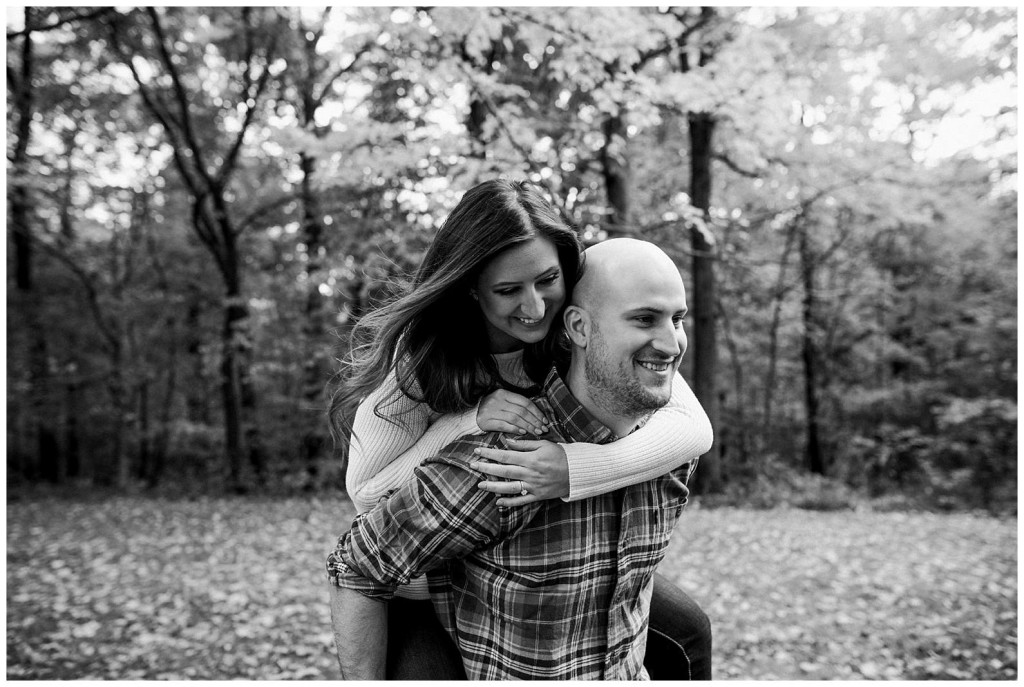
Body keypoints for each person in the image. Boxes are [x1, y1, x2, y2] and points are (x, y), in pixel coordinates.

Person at [328, 180, 713, 678]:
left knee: (688, 630)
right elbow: (364, 493)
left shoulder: (582, 323)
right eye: (508, 291)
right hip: (422, 568)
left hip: (540, 549)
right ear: (471, 288)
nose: (534, 307)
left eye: (547, 280)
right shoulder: (424, 359)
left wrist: (574, 469)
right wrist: (469, 422)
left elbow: (693, 429)